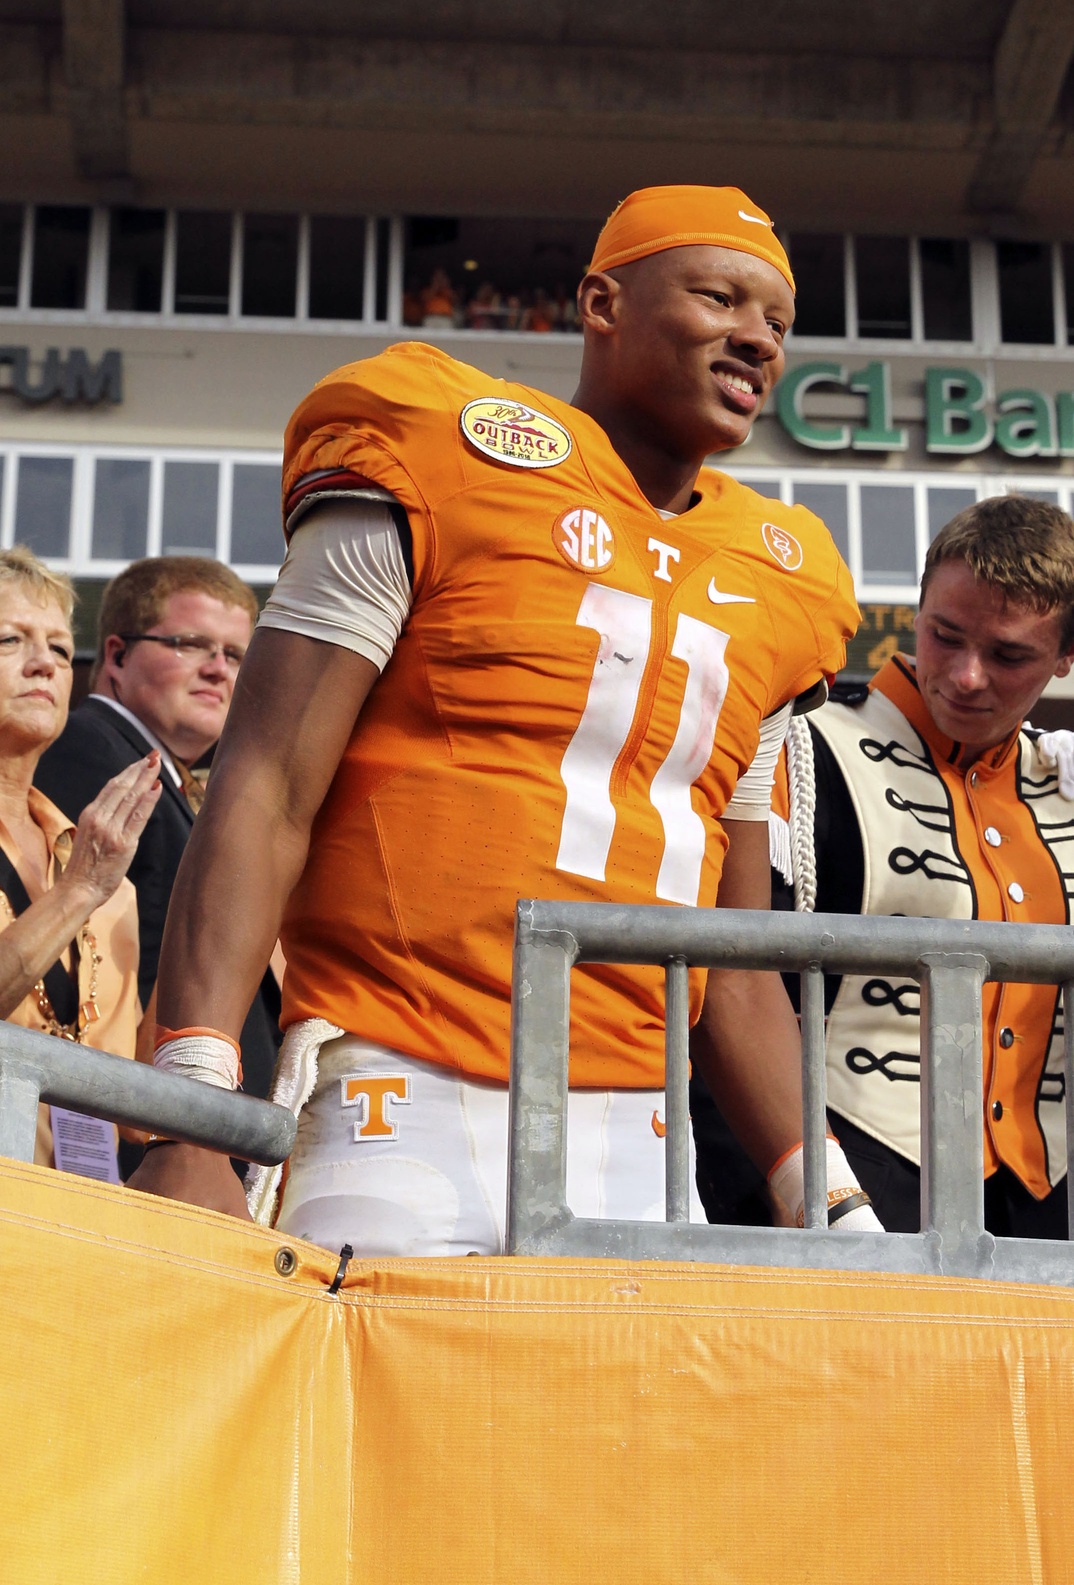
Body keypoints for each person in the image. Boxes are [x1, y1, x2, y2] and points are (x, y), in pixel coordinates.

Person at [132, 183, 873, 1254]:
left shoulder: (784, 576)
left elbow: (736, 949)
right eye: (720, 297)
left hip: (639, 1123)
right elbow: (264, 785)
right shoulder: (443, 449)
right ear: (603, 304)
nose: (756, 338)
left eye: (778, 322)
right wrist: (191, 1105)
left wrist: (826, 1191)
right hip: (400, 1084)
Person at [696, 495, 1074, 1238]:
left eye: (1008, 654)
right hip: (845, 1191)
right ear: (917, 610)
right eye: (944, 635)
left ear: (1066, 658)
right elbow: (729, 988)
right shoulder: (801, 756)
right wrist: (801, 1196)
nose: (966, 676)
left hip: (1046, 1205)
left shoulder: (1063, 783)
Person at [34, 557, 282, 1102]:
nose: (219, 668)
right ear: (117, 655)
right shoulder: (89, 750)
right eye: (191, 643)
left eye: (236, 654)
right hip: (122, 1123)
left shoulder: (161, 776)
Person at [0, 546, 160, 1174]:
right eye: (10, 641)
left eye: (62, 650)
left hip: (80, 1224)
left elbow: (132, 1106)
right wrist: (76, 894)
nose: (44, 663)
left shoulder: (106, 875)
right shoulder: (95, 876)